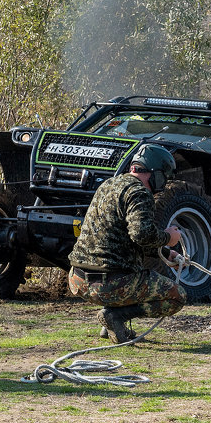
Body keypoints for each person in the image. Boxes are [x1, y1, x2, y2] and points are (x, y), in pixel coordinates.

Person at [67, 144, 186, 343]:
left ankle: (113, 323)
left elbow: (125, 237)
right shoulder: (139, 192)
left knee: (130, 277)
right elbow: (141, 235)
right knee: (177, 297)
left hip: (78, 280)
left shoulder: (109, 184)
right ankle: (115, 317)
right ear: (156, 174)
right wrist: (168, 237)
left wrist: (165, 253)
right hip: (109, 283)